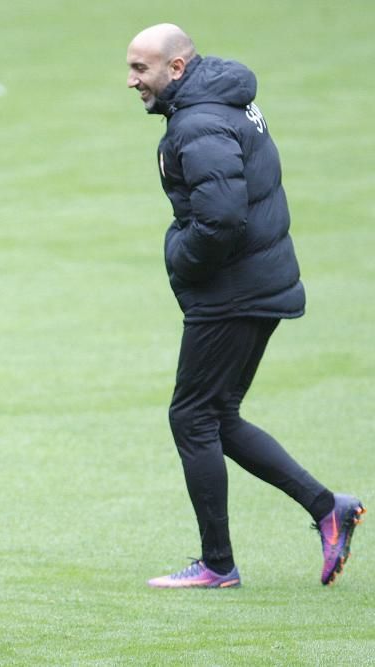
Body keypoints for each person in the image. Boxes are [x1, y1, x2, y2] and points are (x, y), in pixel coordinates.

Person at [126, 24, 365, 588]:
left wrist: (178, 255)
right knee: (217, 415)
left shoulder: (199, 122)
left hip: (233, 292)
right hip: (259, 282)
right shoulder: (222, 101)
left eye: (141, 69)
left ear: (177, 69)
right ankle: (329, 507)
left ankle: (217, 564)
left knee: (191, 416)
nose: (131, 81)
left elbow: (222, 219)